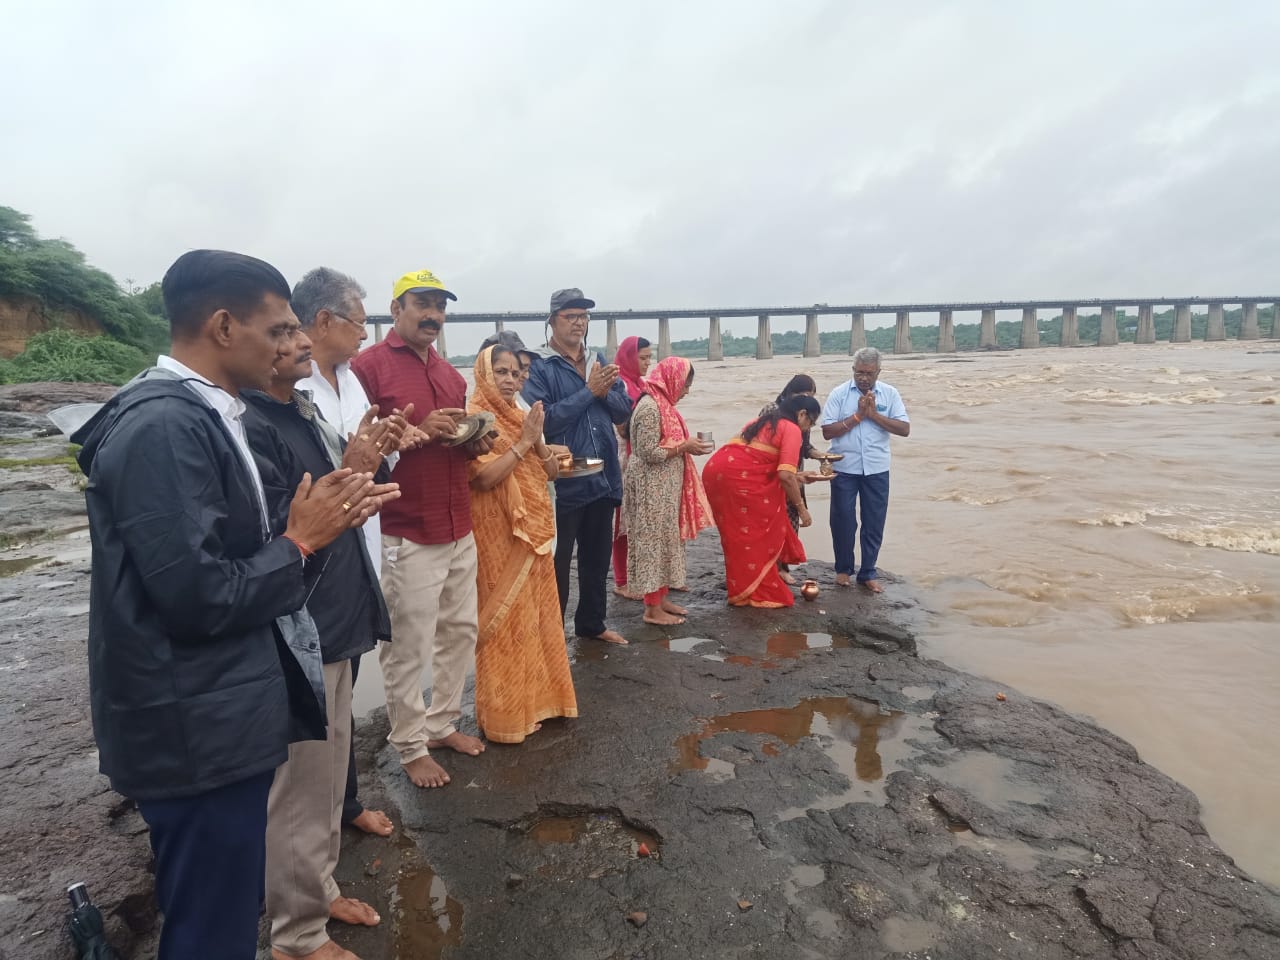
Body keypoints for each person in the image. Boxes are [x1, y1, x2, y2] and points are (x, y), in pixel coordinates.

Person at [72, 249, 388, 960]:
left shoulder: (211, 415)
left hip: (219, 710)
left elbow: (225, 557)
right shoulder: (164, 427)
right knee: (211, 927)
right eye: (277, 330)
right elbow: (198, 595)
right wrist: (301, 542)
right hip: (192, 726)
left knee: (227, 910)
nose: (289, 344)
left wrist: (319, 521)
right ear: (222, 327)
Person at [245, 324, 400, 960]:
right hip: (301, 628)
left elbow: (343, 496)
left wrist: (367, 465)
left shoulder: (301, 410)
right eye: (283, 331)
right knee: (298, 792)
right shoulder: (249, 425)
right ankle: (297, 935)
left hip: (338, 619)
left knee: (329, 781)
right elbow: (277, 531)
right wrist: (353, 472)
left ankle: (318, 890)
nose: (301, 341)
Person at [351, 268, 492, 789]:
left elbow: (453, 443)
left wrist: (473, 441)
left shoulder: (451, 375)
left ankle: (441, 724)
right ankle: (410, 744)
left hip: (457, 519)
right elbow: (353, 444)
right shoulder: (367, 368)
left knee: (460, 630)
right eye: (423, 304)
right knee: (407, 643)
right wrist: (414, 431)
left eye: (440, 306)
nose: (434, 315)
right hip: (405, 525)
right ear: (397, 310)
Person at [292, 266, 399, 839]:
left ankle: (345, 800)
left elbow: (367, 459)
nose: (363, 333)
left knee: (344, 687)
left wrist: (390, 446)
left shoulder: (351, 381)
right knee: (314, 694)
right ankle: (315, 822)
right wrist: (355, 462)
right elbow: (309, 475)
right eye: (358, 322)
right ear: (324, 320)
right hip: (312, 561)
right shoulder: (291, 386)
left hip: (358, 549)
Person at [467, 344, 579, 742]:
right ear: (484, 374)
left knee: (538, 616)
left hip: (535, 528)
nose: (510, 380)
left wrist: (538, 440)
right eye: (501, 371)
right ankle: (506, 716)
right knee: (506, 620)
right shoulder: (473, 419)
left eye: (516, 373)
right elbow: (482, 478)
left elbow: (549, 473)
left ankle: (543, 702)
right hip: (499, 533)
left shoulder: (522, 413)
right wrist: (523, 442)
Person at [522, 287, 633, 645]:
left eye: (583, 316)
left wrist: (605, 389)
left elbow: (623, 411)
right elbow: (543, 421)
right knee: (556, 564)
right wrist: (589, 391)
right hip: (562, 480)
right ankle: (552, 637)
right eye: (570, 316)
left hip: (603, 476)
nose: (578, 323)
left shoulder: (598, 360)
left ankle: (592, 625)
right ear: (552, 321)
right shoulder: (538, 366)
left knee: (596, 559)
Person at [702, 395, 821, 608]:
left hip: (716, 473)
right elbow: (784, 476)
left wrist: (800, 476)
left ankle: (741, 590)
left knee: (737, 536)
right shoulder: (792, 429)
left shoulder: (760, 421)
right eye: (810, 423)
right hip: (738, 481)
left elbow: (759, 461)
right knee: (757, 534)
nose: (807, 428)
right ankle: (756, 592)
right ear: (802, 414)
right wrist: (802, 510)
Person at [622, 356, 713, 625]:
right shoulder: (651, 407)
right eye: (685, 385)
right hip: (650, 489)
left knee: (664, 542)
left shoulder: (663, 405)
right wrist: (684, 447)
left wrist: (686, 447)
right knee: (651, 545)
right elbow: (647, 452)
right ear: (672, 379)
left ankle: (661, 599)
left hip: (663, 489)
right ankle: (652, 609)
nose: (686, 391)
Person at [820, 347, 911, 593]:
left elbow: (904, 429)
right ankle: (843, 569)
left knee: (874, 521)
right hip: (844, 468)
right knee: (843, 520)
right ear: (853, 370)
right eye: (859, 372)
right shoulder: (839, 394)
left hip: (877, 468)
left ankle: (868, 572)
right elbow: (827, 431)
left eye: (869, 373)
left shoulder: (890, 394)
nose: (863, 378)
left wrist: (873, 415)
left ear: (878, 372)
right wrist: (858, 416)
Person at [766, 374, 820, 585]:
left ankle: (784, 566)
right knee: (773, 522)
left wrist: (821, 456)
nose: (806, 399)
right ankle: (772, 567)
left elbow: (805, 446)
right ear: (791, 393)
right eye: (804, 394)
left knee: (791, 520)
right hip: (775, 473)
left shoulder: (803, 416)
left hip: (793, 470)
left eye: (811, 396)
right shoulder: (773, 411)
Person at [610, 336, 652, 599]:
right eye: (643, 358)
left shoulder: (641, 384)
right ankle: (621, 580)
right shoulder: (620, 385)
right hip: (621, 459)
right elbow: (620, 425)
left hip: (638, 458)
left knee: (636, 519)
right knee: (621, 522)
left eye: (649, 358)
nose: (647, 363)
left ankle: (636, 576)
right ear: (628, 358)